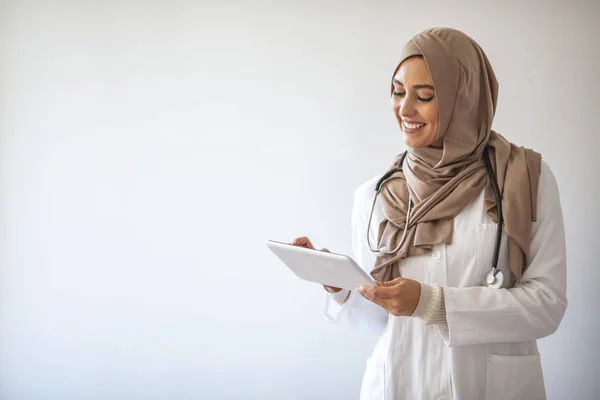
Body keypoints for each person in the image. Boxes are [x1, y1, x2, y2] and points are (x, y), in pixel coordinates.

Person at [290, 28, 567, 400]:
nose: (405, 110)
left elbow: (547, 305)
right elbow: (380, 321)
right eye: (398, 92)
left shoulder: (525, 180)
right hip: (400, 385)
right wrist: (340, 286)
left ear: (465, 97)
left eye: (425, 96)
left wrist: (433, 303)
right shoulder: (374, 195)